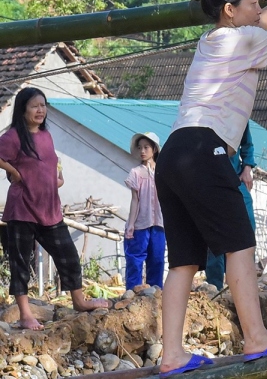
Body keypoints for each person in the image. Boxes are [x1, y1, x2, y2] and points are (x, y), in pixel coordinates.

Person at [155, 0, 267, 376]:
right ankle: (256, 337)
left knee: (182, 263)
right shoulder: (245, 38)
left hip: (173, 152)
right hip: (203, 151)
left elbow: (261, 20)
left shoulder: (213, 38)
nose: (259, 5)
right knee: (239, 245)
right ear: (230, 9)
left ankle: (171, 355)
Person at [0, 87, 110, 330]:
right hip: (23, 210)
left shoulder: (46, 135)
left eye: (43, 105)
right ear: (23, 110)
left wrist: (55, 179)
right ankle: (25, 315)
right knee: (21, 264)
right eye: (34, 106)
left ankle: (79, 301)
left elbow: (48, 168)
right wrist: (14, 172)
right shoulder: (14, 137)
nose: (41, 110)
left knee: (69, 257)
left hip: (50, 210)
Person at [205, 128, 257, 290]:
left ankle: (245, 284)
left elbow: (247, 144)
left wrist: (248, 167)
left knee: (246, 230)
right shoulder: (202, 113)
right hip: (210, 181)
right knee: (214, 235)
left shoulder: (238, 110)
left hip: (236, 178)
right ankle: (215, 287)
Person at [124, 131, 165, 291]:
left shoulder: (162, 172)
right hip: (141, 223)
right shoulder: (136, 173)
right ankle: (132, 293)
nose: (142, 151)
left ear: (154, 149)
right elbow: (135, 200)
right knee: (135, 260)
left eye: (146, 147)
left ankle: (155, 294)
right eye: (140, 147)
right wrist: (131, 224)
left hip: (159, 223)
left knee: (157, 259)